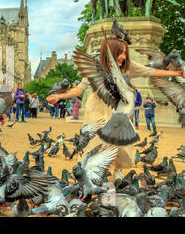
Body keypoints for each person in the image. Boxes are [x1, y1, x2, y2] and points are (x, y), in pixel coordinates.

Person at [46, 36, 182, 178]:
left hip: (118, 109)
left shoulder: (129, 66)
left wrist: (177, 73)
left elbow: (152, 72)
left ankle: (118, 170)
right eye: (120, 53)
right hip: (97, 109)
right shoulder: (96, 68)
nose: (123, 57)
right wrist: (59, 96)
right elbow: (79, 89)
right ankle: (91, 171)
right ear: (110, 53)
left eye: (125, 53)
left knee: (121, 143)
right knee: (95, 141)